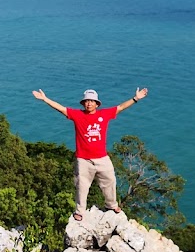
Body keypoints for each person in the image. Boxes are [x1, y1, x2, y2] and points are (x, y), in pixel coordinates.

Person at [32, 86, 148, 221]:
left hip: (102, 158)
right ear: (83, 103)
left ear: (97, 104)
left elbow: (120, 107)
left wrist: (136, 99)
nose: (89, 103)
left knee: (110, 181)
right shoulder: (77, 115)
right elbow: (61, 108)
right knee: (82, 186)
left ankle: (111, 205)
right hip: (83, 159)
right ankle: (80, 211)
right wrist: (45, 99)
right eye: (86, 101)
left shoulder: (104, 114)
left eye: (92, 101)